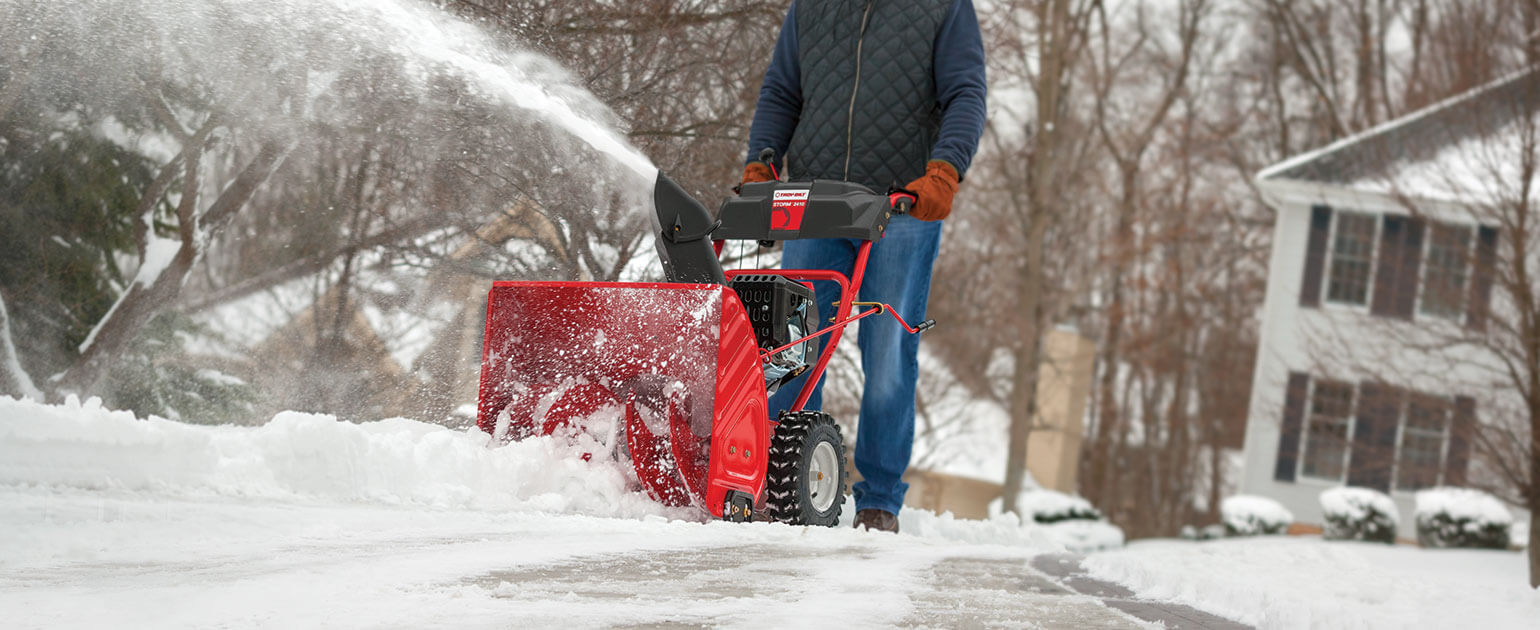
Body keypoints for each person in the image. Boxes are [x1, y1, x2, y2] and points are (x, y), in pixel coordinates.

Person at [741, 0, 986, 533]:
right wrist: (762, 160)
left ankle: (878, 499)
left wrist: (945, 170)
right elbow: (783, 90)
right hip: (815, 200)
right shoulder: (812, 6)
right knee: (792, 341)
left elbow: (966, 92)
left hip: (901, 204)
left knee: (889, 349)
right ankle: (779, 474)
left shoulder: (943, 8)